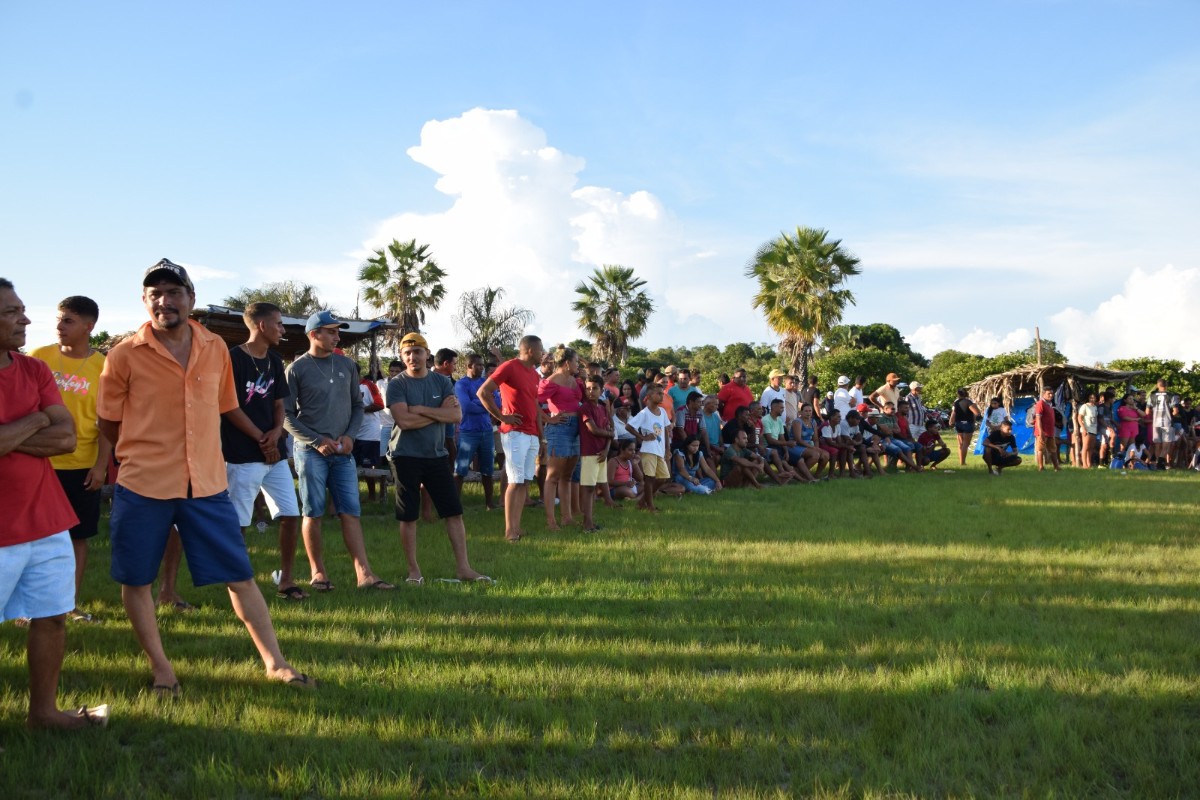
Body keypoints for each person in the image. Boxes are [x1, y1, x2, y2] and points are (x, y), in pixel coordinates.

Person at [98, 260, 313, 694]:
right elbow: (108, 420)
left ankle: (276, 663)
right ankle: (162, 671)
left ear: (191, 299)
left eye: (174, 292)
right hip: (143, 483)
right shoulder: (123, 355)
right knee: (137, 579)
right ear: (144, 301)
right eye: (155, 293)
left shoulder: (215, 346)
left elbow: (223, 406)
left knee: (240, 574)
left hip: (207, 483)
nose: (164, 300)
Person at [1, 277, 110, 729]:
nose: (25, 319)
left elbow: (66, 437)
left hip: (46, 520)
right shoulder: (41, 367)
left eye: (21, 309)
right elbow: (51, 428)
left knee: (52, 617)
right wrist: (37, 419)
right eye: (11, 312)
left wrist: (14, 433)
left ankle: (43, 714)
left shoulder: (33, 371)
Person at [285, 309, 392, 592]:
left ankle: (364, 574)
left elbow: (357, 406)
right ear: (313, 334)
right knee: (313, 511)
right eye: (331, 331)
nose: (337, 336)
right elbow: (285, 415)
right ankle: (318, 572)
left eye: (337, 331)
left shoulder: (347, 366)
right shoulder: (296, 369)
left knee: (350, 511)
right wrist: (315, 440)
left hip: (344, 450)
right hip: (310, 452)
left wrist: (350, 436)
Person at [29, 295, 112, 621]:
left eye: (68, 320)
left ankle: (69, 604)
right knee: (35, 537)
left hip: (81, 465)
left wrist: (101, 465)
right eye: (59, 319)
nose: (59, 326)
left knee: (77, 537)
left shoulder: (102, 366)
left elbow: (108, 421)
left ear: (88, 327)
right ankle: (33, 605)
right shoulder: (39, 358)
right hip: (39, 462)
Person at [386, 333, 490, 584]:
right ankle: (414, 571)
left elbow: (456, 416)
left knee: (454, 512)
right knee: (409, 515)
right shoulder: (397, 384)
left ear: (427, 354)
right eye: (407, 353)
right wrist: (438, 414)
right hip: (405, 455)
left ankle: (464, 568)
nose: (413, 357)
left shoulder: (442, 382)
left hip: (436, 456)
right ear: (402, 356)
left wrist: (420, 409)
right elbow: (404, 421)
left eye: (417, 352)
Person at [219, 302, 305, 601]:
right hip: (242, 454)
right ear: (262, 326)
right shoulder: (232, 358)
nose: (283, 329)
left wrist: (274, 433)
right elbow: (228, 405)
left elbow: (280, 402)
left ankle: (287, 580)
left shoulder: (274, 359)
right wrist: (261, 437)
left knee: (291, 514)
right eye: (279, 324)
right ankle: (239, 583)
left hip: (274, 454)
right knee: (240, 521)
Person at [477, 335, 544, 542]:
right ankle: (509, 530)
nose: (544, 354)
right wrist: (501, 417)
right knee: (514, 481)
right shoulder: (510, 366)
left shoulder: (535, 375)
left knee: (524, 481)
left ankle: (517, 526)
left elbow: (534, 405)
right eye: (541, 350)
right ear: (530, 350)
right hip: (514, 432)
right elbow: (483, 392)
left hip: (531, 433)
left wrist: (540, 436)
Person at [538, 345, 583, 530]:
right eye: (576, 361)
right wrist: (549, 418)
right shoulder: (552, 380)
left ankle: (567, 517)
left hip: (575, 429)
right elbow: (533, 400)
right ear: (566, 363)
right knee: (553, 476)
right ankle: (551, 521)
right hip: (559, 429)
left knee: (567, 475)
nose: (578, 364)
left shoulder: (574, 379)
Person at [454, 354, 498, 510]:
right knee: (461, 469)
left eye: (482, 365)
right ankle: (455, 505)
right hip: (468, 432)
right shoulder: (461, 384)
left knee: (488, 470)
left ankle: (489, 503)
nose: (481, 368)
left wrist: (478, 402)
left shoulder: (485, 383)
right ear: (469, 365)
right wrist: (486, 403)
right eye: (478, 365)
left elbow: (497, 403)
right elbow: (466, 407)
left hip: (486, 431)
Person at [623, 383, 672, 512]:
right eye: (659, 393)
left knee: (663, 478)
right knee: (650, 479)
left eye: (662, 393)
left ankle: (642, 502)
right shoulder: (644, 413)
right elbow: (629, 426)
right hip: (649, 450)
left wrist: (667, 449)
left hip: (660, 450)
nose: (662, 396)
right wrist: (642, 437)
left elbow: (666, 431)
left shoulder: (662, 412)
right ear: (649, 396)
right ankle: (650, 506)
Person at [578, 375, 616, 531]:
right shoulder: (585, 408)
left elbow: (609, 429)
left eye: (594, 388)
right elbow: (593, 429)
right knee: (588, 488)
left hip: (601, 453)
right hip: (589, 452)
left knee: (593, 489)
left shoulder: (602, 408)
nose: (590, 391)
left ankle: (590, 522)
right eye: (588, 388)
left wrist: (607, 449)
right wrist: (610, 435)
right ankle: (587, 523)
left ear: (601, 390)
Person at [355, 372, 385, 502]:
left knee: (368, 466)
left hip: (369, 433)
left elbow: (380, 405)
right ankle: (353, 496)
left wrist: (360, 409)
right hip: (353, 432)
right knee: (351, 465)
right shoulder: (347, 385)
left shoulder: (369, 385)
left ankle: (372, 496)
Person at [1148, 378, 1179, 469]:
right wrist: (1171, 415)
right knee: (1167, 443)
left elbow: (1147, 411)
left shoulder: (1152, 395)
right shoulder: (1171, 395)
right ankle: (1161, 460)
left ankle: (1159, 464)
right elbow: (1175, 411)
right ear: (1166, 385)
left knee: (1157, 444)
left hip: (1156, 422)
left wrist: (1155, 414)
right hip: (1167, 422)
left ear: (1157, 385)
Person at [948, 389, 982, 466]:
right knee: (965, 444)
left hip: (958, 424)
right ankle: (963, 462)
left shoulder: (956, 403)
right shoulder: (968, 402)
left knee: (960, 444)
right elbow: (977, 413)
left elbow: (954, 413)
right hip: (968, 423)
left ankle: (961, 462)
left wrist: (951, 422)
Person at [1032, 387, 1061, 472]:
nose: (1051, 395)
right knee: (1040, 449)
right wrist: (1041, 432)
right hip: (1042, 431)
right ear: (1043, 394)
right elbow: (1038, 418)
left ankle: (1056, 467)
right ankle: (1041, 467)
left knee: (1053, 450)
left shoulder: (1050, 404)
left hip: (1050, 432)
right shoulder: (1041, 403)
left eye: (1052, 393)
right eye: (1049, 393)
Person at [1077, 392, 1100, 469]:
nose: (1092, 399)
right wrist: (1083, 428)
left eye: (1094, 397)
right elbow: (1079, 417)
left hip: (1094, 428)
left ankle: (1089, 463)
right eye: (1091, 397)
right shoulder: (1085, 406)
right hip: (1086, 428)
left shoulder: (1095, 407)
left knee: (1091, 447)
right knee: (1085, 447)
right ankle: (1084, 464)